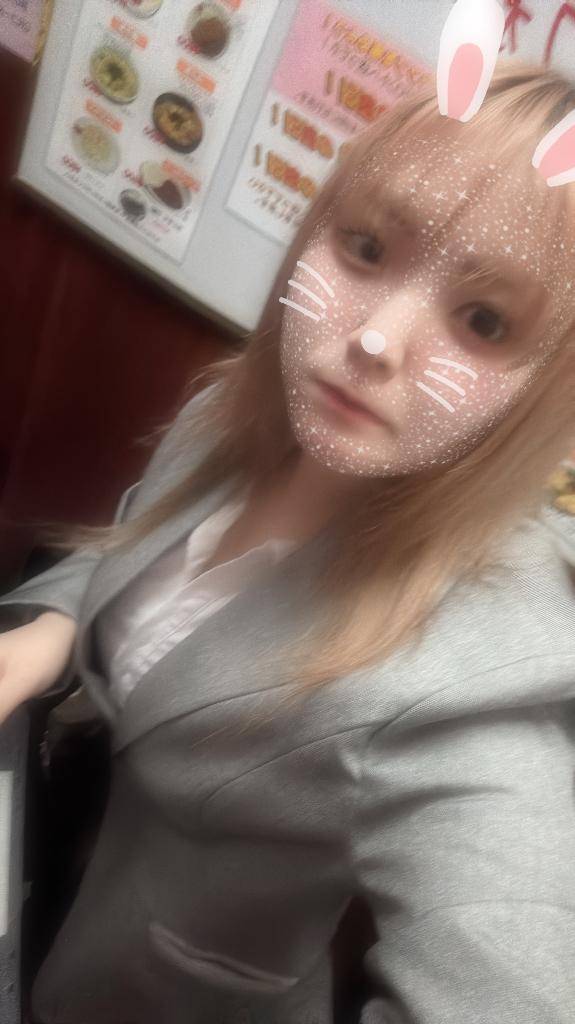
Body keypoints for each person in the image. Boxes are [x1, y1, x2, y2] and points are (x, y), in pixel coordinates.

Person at [1, 58, 575, 1024]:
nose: (376, 340)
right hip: (56, 843)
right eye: (365, 247)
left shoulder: (471, 697)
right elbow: (146, 541)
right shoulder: (235, 411)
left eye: (482, 320)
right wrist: (49, 635)